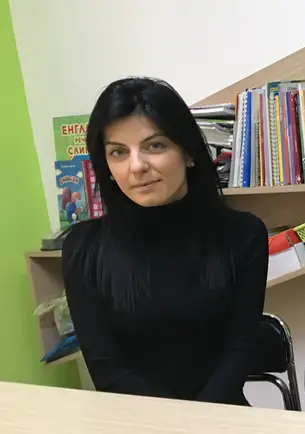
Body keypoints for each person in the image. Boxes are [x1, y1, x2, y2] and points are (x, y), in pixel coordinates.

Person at [62, 77, 269, 405]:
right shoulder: (84, 248)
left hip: (221, 415)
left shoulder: (244, 234)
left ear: (188, 152)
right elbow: (107, 370)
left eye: (154, 146)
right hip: (136, 419)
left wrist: (196, 422)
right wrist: (174, 424)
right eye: (118, 152)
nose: (137, 166)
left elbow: (239, 350)